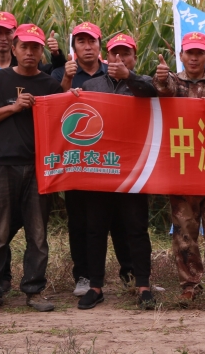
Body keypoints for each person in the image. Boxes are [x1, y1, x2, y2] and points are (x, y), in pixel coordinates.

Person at [0, 23, 63, 314]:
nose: (29, 52)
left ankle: (34, 290)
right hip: (2, 165)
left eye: (35, 47)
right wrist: (13, 107)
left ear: (41, 52)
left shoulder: (50, 85)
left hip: (38, 167)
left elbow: (60, 123)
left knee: (37, 235)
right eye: (24, 46)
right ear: (13, 49)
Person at [145, 32, 205, 306]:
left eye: (200, 53)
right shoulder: (174, 80)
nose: (194, 57)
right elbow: (163, 90)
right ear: (181, 55)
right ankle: (189, 286)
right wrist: (161, 77)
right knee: (184, 231)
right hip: (181, 168)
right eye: (189, 53)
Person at [70, 33, 157, 310]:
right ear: (106, 57)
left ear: (134, 56)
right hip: (100, 168)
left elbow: (154, 92)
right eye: (115, 54)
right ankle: (96, 286)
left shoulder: (142, 83)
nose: (120, 58)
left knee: (136, 228)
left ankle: (142, 284)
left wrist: (129, 76)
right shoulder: (92, 84)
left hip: (134, 168)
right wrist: (72, 97)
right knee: (95, 229)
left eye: (126, 53)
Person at [51, 22, 134, 297]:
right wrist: (65, 84)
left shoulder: (112, 70)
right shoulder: (63, 73)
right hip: (80, 162)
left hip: (115, 160)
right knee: (81, 222)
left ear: (101, 46)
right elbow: (50, 111)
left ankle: (130, 274)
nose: (87, 47)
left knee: (122, 222)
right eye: (81, 42)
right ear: (73, 47)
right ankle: (84, 275)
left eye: (92, 42)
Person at [0, 11, 65, 73]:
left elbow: (57, 73)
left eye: (8, 32)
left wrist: (56, 55)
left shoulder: (27, 62)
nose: (3, 38)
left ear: (15, 33)